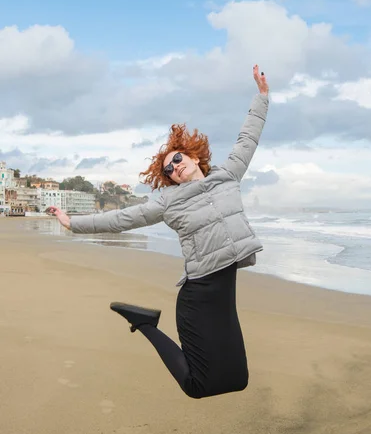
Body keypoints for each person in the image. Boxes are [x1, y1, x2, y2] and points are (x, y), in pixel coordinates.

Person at [47, 65, 269, 399]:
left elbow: (247, 138)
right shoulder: (168, 201)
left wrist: (262, 97)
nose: (175, 167)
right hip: (198, 295)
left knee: (238, 378)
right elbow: (123, 219)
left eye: (177, 159)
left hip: (225, 294)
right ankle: (145, 323)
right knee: (196, 386)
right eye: (168, 169)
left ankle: (145, 321)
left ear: (193, 155)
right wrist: (72, 223)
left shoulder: (227, 175)